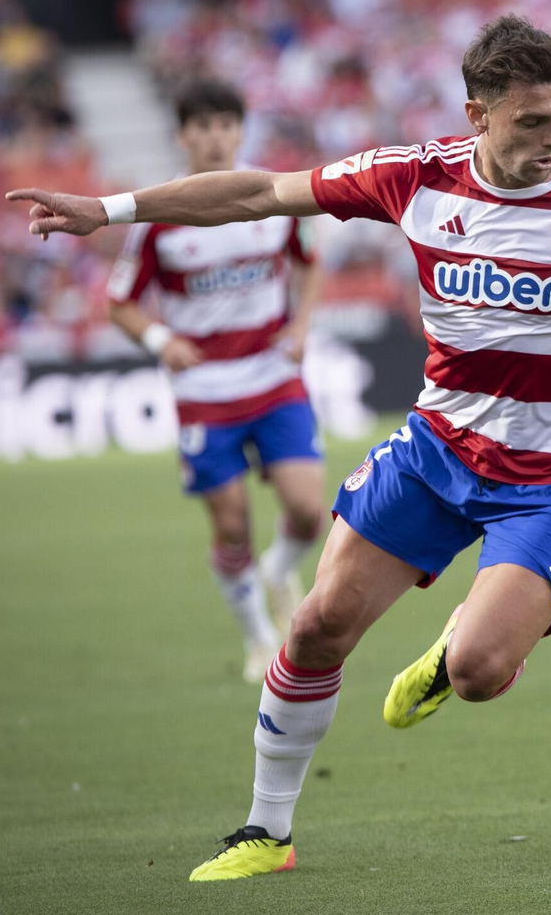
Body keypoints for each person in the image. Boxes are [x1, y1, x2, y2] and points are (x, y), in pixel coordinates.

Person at [16, 15, 551, 878]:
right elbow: (258, 194)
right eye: (531, 122)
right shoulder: (413, 178)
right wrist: (108, 209)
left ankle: (455, 644)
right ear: (478, 116)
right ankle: (265, 833)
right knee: (318, 622)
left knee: (475, 670)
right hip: (438, 451)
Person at [106, 81, 327, 684]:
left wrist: (302, 324)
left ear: (240, 130)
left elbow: (311, 260)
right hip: (205, 392)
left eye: (225, 124)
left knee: (310, 512)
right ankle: (260, 638)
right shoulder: (159, 218)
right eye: (200, 126)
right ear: (182, 136)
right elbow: (119, 301)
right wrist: (160, 341)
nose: (214, 136)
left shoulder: (272, 197)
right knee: (231, 524)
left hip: (273, 376)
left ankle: (280, 569)